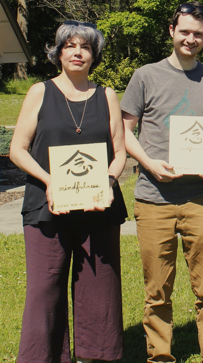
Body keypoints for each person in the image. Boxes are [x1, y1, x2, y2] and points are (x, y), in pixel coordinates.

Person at [10, 21, 127, 363]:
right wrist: (50, 181)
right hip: (47, 207)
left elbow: (119, 152)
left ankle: (98, 355)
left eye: (85, 47)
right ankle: (41, 357)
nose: (78, 53)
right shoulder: (39, 92)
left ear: (94, 55)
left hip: (98, 207)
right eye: (70, 46)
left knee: (100, 288)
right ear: (58, 52)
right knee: (44, 291)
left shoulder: (107, 95)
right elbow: (18, 149)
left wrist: (108, 181)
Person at [120, 1, 203, 363]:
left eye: (197, 34)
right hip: (154, 199)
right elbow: (124, 131)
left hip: (201, 197)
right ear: (171, 31)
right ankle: (160, 357)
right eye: (184, 32)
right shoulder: (145, 76)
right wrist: (149, 163)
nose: (190, 39)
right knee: (157, 291)